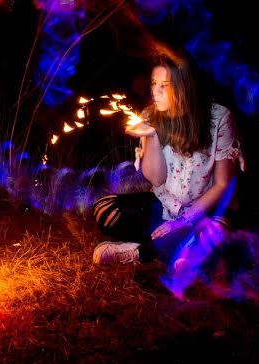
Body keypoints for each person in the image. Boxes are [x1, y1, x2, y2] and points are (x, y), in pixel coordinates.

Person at [92, 48, 244, 266]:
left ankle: (140, 252)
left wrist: (183, 222)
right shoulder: (150, 116)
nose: (156, 91)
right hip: (164, 206)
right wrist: (152, 136)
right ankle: (177, 248)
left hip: (204, 213)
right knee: (105, 209)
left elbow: (222, 185)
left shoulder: (219, 118)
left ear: (184, 87)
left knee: (214, 234)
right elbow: (156, 180)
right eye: (154, 84)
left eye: (165, 86)